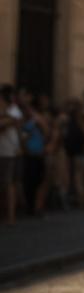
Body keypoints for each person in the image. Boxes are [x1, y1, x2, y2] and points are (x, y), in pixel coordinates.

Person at [0, 84, 23, 225]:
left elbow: (5, 125)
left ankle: (10, 216)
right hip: (6, 150)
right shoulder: (10, 111)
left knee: (8, 183)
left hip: (8, 151)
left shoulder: (14, 111)